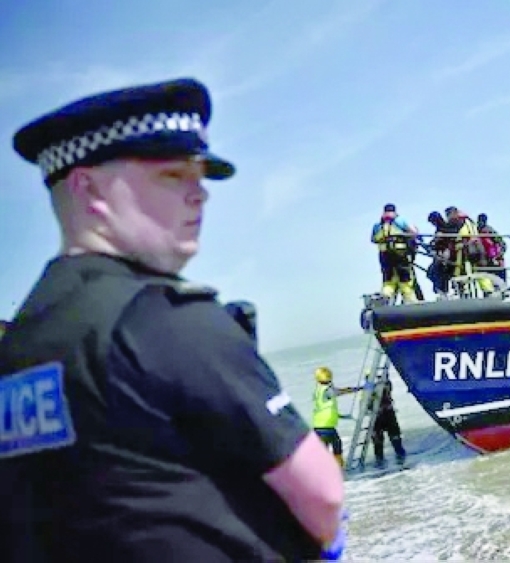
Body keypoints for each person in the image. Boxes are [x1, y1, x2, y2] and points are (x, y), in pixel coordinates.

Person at [0, 78, 345, 561]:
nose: (199, 194)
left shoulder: (17, 346)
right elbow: (323, 498)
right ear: (89, 187)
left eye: (199, 177)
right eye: (172, 175)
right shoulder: (169, 322)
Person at [312, 367, 368, 468]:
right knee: (336, 451)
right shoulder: (327, 390)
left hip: (321, 427)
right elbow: (342, 391)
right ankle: (338, 474)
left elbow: (323, 409)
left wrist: (342, 416)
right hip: (325, 429)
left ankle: (334, 475)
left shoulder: (318, 391)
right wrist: (361, 388)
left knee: (331, 451)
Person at [371, 203, 419, 303]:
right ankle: (409, 300)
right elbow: (413, 233)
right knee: (405, 278)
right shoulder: (400, 221)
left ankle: (386, 297)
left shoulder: (378, 225)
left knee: (388, 279)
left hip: (384, 255)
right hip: (400, 254)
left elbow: (373, 239)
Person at [371, 378, 407, 468]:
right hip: (379, 416)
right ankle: (382, 464)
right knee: (379, 444)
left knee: (395, 440)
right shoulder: (370, 389)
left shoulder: (385, 385)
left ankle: (401, 462)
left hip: (386, 415)